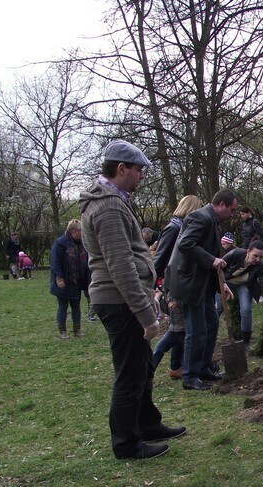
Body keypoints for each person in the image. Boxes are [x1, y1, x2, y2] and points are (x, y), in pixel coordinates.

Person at [79, 138, 186, 460]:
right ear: (121, 168)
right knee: (130, 373)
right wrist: (146, 314)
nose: (142, 176)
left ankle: (147, 424)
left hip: (121, 297)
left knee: (140, 367)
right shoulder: (108, 206)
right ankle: (126, 443)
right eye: (139, 170)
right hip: (118, 300)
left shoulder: (112, 200)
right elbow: (120, 265)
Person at [165, 188, 238, 391]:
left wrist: (222, 284)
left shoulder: (213, 221)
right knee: (196, 329)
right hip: (189, 284)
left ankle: (204, 368)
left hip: (204, 284)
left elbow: (209, 254)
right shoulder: (200, 217)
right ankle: (190, 375)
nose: (232, 215)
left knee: (212, 322)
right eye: (231, 210)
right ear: (221, 204)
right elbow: (186, 244)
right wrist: (212, 259)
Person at [152, 194, 203, 372]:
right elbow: (159, 259)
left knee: (179, 327)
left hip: (180, 282)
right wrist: (157, 288)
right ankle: (152, 366)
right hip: (173, 285)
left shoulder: (183, 227)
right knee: (177, 329)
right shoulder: (173, 229)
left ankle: (176, 366)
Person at [222, 240, 263, 343]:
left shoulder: (260, 266)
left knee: (246, 310)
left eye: (261, 257)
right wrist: (222, 283)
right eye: (255, 256)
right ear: (248, 251)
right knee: (217, 308)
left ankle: (245, 342)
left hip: (244, 284)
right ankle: (208, 339)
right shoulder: (235, 254)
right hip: (225, 282)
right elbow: (219, 268)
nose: (258, 259)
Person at [50, 220, 91, 339]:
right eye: (81, 231)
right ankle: (62, 331)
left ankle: (77, 330)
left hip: (77, 280)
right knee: (63, 306)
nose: (82, 234)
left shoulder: (81, 243)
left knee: (76, 306)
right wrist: (59, 279)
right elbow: (55, 263)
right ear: (74, 231)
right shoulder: (60, 243)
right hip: (64, 280)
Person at [152, 296, 185, 379]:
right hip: (173, 329)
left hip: (185, 329)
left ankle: (185, 372)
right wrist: (165, 302)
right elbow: (166, 309)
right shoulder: (169, 292)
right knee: (159, 349)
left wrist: (178, 303)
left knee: (187, 353)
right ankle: (147, 373)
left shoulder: (183, 290)